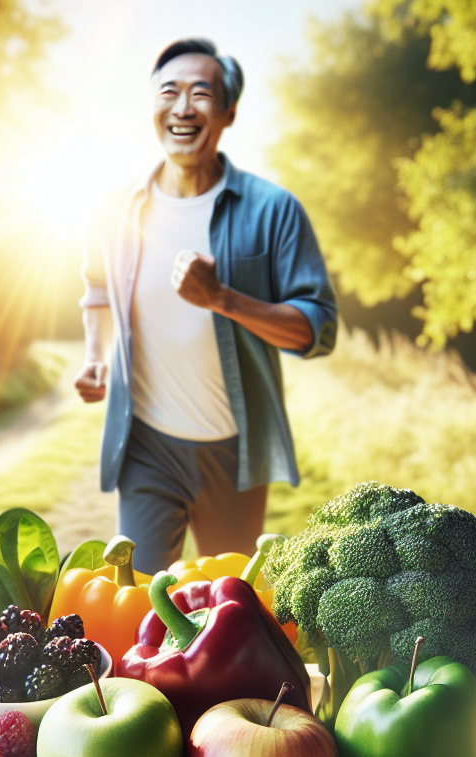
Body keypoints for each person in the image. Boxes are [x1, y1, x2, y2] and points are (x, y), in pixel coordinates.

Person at [75, 38, 337, 574]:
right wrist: (95, 356)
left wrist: (221, 299)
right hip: (146, 443)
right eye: (169, 91)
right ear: (152, 105)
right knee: (138, 604)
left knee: (227, 608)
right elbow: (97, 290)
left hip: (234, 452)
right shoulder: (112, 209)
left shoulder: (274, 209)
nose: (183, 106)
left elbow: (317, 328)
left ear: (229, 113)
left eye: (202, 94)